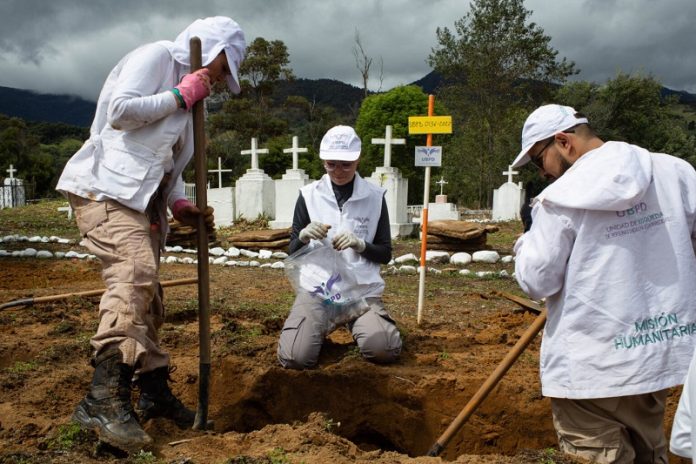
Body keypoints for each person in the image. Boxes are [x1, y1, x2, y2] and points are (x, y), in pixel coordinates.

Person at [55, 17, 246, 451]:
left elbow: (167, 168)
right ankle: (101, 400)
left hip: (144, 206)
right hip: (104, 191)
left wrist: (181, 205)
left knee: (150, 298)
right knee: (135, 273)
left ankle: (153, 392)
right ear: (214, 48)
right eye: (223, 67)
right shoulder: (157, 57)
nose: (220, 77)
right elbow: (119, 112)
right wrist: (180, 96)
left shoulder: (196, 99)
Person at [511, 104, 696, 463]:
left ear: (563, 142)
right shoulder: (674, 172)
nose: (543, 172)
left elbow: (537, 279)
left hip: (589, 373)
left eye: (538, 160)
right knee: (649, 450)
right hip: (655, 359)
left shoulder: (560, 198)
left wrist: (527, 239)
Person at [277, 125, 402, 370]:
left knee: (384, 348)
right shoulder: (309, 195)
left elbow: (384, 253)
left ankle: (364, 324)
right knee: (295, 357)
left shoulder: (375, 197)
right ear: (323, 161)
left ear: (358, 160)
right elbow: (292, 249)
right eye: (331, 164)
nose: (338, 171)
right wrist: (302, 236)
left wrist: (361, 244)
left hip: (361, 290)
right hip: (319, 289)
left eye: (346, 164)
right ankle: (313, 327)